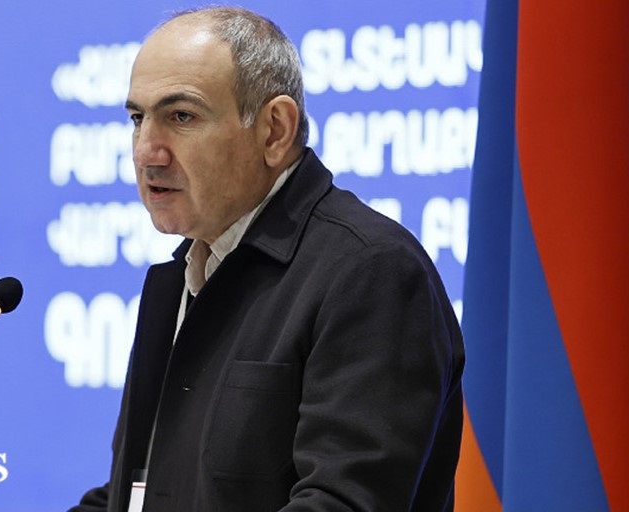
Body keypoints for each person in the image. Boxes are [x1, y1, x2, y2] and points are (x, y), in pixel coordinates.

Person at [71, 6, 464, 511]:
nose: (147, 151)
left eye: (181, 116)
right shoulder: (176, 281)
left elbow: (342, 502)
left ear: (275, 130)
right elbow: (137, 493)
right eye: (137, 118)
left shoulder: (372, 272)